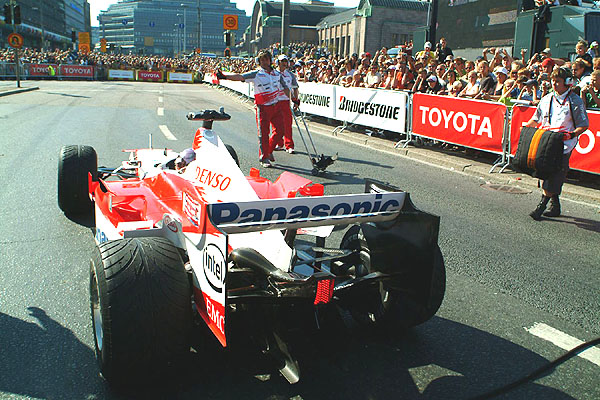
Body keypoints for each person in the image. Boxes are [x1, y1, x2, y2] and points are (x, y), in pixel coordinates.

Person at [524, 67, 589, 220]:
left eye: (558, 81)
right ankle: (555, 205)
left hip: (564, 144)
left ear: (567, 82)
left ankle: (541, 206)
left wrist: (571, 134)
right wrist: (526, 127)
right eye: (553, 81)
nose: (554, 84)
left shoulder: (575, 101)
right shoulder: (546, 99)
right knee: (545, 171)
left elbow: (583, 125)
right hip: (546, 140)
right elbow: (536, 119)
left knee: (555, 173)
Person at [215, 49, 289, 168]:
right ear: (258, 61)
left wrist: (293, 98)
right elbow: (240, 77)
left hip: (276, 106)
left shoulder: (277, 74)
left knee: (281, 130)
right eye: (261, 60)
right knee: (264, 133)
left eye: (266, 59)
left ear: (270, 60)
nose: (264, 62)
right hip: (263, 108)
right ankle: (264, 157)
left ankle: (269, 150)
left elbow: (285, 87)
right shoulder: (256, 74)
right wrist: (225, 76)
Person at [272, 54, 299, 154]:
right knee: (276, 124)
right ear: (277, 63)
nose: (284, 64)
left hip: (285, 101)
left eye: (285, 62)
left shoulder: (290, 75)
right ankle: (279, 143)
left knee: (287, 124)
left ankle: (289, 145)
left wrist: (296, 100)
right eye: (281, 62)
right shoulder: (273, 73)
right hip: (274, 101)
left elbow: (295, 87)